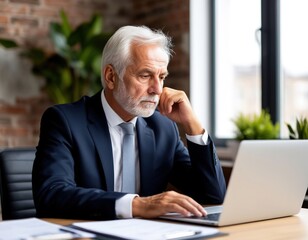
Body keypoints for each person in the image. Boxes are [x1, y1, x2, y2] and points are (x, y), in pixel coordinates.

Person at [32, 25, 226, 220]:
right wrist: (137, 205)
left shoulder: (163, 128)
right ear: (111, 77)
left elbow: (213, 196)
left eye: (161, 77)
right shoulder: (65, 121)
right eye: (145, 75)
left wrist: (192, 124)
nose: (157, 89)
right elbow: (51, 194)